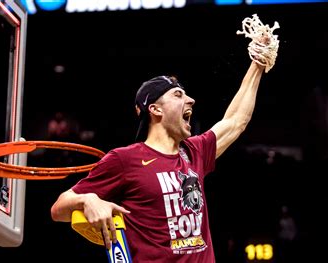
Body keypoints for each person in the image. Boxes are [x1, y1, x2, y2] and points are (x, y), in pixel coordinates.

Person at [51, 14, 279, 262]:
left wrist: (257, 63)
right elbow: (59, 208)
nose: (190, 100)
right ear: (155, 109)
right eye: (178, 94)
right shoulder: (124, 159)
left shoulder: (194, 151)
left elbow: (236, 121)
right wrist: (88, 199)